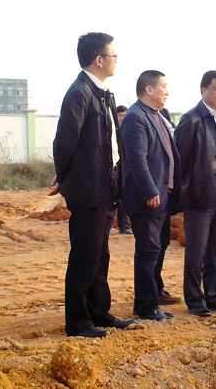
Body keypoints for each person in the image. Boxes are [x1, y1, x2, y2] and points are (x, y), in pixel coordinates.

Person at [50, 32, 136, 338]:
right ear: (99, 60)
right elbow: (64, 141)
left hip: (105, 187)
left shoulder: (102, 93)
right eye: (113, 55)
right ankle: (78, 322)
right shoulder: (80, 93)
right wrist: (63, 175)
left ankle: (99, 313)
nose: (116, 60)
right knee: (85, 257)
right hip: (88, 189)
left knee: (100, 255)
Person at [175, 70, 216, 317]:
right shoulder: (192, 119)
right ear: (204, 90)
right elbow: (180, 161)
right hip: (199, 192)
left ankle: (214, 295)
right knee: (197, 251)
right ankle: (194, 299)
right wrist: (186, 193)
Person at [121, 70, 182, 321]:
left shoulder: (158, 116)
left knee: (159, 246)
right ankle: (145, 305)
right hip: (148, 198)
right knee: (148, 251)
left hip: (163, 196)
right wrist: (149, 190)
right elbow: (137, 160)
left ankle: (155, 293)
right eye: (163, 86)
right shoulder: (135, 117)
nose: (167, 91)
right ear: (149, 89)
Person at [115, 105, 132, 235]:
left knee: (125, 195)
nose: (122, 117)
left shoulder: (130, 130)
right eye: (120, 115)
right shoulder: (112, 131)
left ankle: (124, 224)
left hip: (126, 166)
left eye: (124, 115)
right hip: (114, 167)